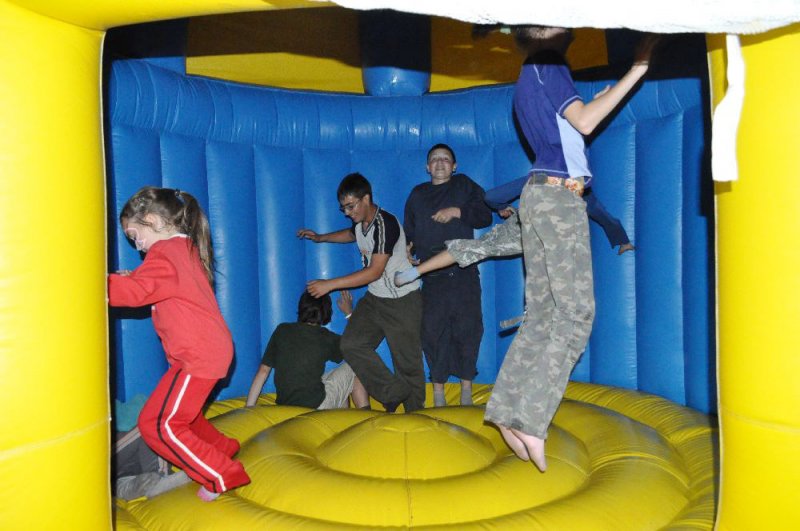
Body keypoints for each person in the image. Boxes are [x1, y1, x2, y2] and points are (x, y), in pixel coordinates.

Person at [399, 27, 657, 472]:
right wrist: (639, 67)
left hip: (538, 196)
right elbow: (586, 121)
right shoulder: (548, 63)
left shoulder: (530, 76)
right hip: (558, 198)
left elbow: (571, 128)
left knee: (540, 315)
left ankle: (507, 410)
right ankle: (533, 420)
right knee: (575, 314)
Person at [108, 186, 250, 502]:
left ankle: (221, 474)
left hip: (198, 355)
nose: (137, 246)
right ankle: (222, 448)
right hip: (206, 352)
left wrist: (97, 285)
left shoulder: (164, 253)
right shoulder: (183, 249)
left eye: (135, 236)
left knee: (157, 423)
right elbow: (155, 285)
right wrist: (133, 279)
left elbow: (136, 292)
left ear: (153, 220)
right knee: (185, 415)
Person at [297, 173, 425, 413]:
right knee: (352, 344)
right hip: (376, 299)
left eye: (351, 206)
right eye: (343, 208)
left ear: (366, 199)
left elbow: (374, 271)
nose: (347, 212)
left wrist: (329, 284)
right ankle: (393, 393)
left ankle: (416, 416)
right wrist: (321, 238)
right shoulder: (360, 222)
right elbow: (350, 234)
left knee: (407, 363)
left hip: (403, 300)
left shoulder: (385, 223)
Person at [403, 144, 492, 407]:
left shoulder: (463, 185)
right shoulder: (418, 194)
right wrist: (407, 248)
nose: (440, 162)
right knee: (432, 332)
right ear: (427, 167)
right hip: (432, 277)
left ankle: (466, 391)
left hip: (463, 272)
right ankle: (439, 393)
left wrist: (457, 211)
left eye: (445, 159)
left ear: (454, 166)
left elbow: (485, 216)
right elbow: (409, 230)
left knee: (469, 329)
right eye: (434, 159)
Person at [245, 290, 369, 409]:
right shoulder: (324, 337)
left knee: (335, 381)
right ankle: (367, 417)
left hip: (285, 406)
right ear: (326, 312)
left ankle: (340, 420)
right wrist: (349, 312)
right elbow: (358, 344)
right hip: (315, 405)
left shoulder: (282, 330)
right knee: (358, 363)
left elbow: (263, 371)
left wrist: (248, 408)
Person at [485, 178, 635, 254]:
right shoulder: (539, 179)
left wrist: (623, 241)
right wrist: (501, 207)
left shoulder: (571, 189)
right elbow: (491, 197)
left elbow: (603, 215)